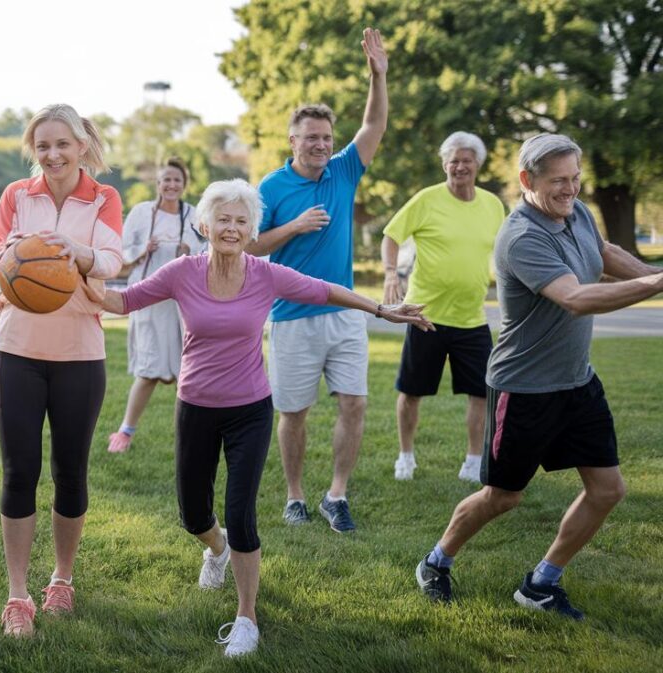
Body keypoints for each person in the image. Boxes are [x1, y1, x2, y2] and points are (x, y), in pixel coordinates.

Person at [85, 179, 430, 656]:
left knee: (241, 513)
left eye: (241, 221)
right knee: (192, 514)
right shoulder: (182, 272)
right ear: (204, 225)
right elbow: (123, 301)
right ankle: (216, 549)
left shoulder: (266, 274)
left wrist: (381, 309)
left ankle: (246, 617)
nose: (231, 228)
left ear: (251, 230)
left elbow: (324, 290)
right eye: (222, 219)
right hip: (196, 407)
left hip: (249, 408)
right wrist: (73, 280)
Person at [415, 134, 663, 620]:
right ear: (527, 181)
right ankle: (435, 561)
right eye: (558, 181)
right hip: (524, 389)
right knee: (503, 496)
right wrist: (656, 284)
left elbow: (604, 250)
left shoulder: (577, 212)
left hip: (577, 381)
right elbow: (576, 297)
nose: (570, 190)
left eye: (575, 179)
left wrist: (653, 272)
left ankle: (541, 582)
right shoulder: (522, 237)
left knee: (608, 489)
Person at [0, 104, 123, 637]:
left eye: (62, 144)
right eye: (43, 146)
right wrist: (9, 258)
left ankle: (61, 579)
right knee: (19, 473)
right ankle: (17, 595)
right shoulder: (17, 195)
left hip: (80, 355)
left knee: (70, 473)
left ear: (82, 145)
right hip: (16, 350)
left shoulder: (104, 198)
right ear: (33, 150)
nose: (53, 154)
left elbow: (112, 259)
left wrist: (79, 252)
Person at [245, 27, 389, 532]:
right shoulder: (271, 186)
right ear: (293, 140)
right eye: (311, 138)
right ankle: (294, 495)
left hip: (346, 312)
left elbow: (373, 125)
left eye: (327, 138)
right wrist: (294, 226)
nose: (321, 145)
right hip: (292, 319)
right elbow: (250, 247)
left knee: (355, 403)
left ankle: (337, 495)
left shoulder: (344, 171)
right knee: (295, 413)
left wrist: (378, 76)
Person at [381, 132, 506, 483]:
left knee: (482, 392)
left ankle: (472, 460)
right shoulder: (427, 199)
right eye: (453, 160)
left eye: (466, 159)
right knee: (411, 392)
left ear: (477, 164)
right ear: (444, 164)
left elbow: (505, 249)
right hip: (426, 317)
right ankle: (406, 456)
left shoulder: (493, 205)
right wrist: (391, 272)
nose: (459, 166)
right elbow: (391, 235)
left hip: (472, 318)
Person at [107, 157, 204, 453]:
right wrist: (141, 250)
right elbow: (119, 253)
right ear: (158, 184)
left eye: (177, 179)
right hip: (148, 298)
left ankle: (190, 438)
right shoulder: (140, 213)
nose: (171, 184)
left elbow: (207, 251)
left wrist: (191, 251)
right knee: (148, 371)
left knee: (187, 371)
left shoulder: (194, 215)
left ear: (184, 184)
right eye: (166, 179)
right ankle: (125, 431)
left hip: (182, 300)